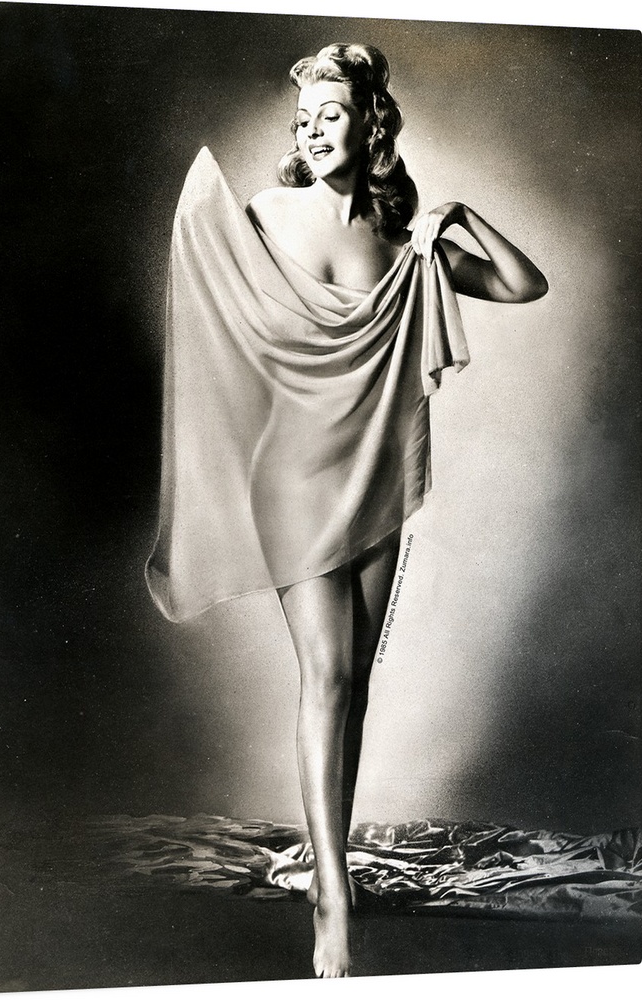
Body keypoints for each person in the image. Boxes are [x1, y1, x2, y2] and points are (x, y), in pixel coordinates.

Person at [146, 42, 547, 979]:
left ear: (371, 124)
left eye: (331, 113)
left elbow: (525, 284)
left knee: (354, 680)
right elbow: (210, 300)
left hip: (374, 472)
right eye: (303, 119)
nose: (312, 129)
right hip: (290, 473)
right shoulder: (260, 215)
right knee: (325, 676)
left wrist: (460, 216)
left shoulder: (405, 246)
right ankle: (332, 896)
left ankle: (334, 861)